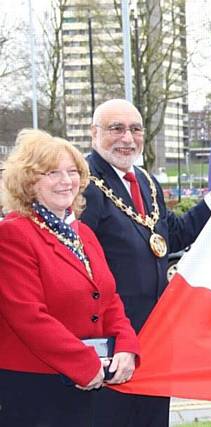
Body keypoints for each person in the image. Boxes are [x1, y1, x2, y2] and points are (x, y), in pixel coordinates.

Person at [82, 99, 211, 427]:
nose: (128, 138)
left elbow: (169, 238)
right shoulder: (83, 183)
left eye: (135, 129)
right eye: (116, 129)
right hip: (112, 338)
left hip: (155, 335)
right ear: (94, 134)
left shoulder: (146, 182)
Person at [0, 129, 140, 426]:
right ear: (28, 181)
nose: (66, 181)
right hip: (37, 389)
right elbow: (28, 316)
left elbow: (108, 298)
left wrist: (126, 346)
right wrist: (85, 364)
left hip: (87, 383)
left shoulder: (83, 233)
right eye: (52, 173)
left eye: (73, 171)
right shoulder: (12, 234)